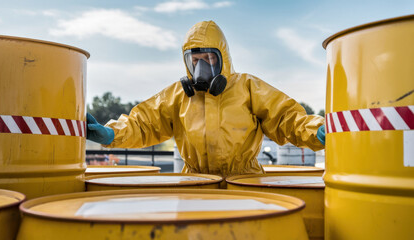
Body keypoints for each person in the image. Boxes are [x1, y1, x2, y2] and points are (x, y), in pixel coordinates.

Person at [87, 20, 326, 178]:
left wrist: (315, 131)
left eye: (209, 59)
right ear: (187, 61)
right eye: (195, 60)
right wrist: (112, 133)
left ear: (223, 58)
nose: (201, 67)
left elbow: (286, 118)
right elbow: (143, 123)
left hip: (244, 184)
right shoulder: (178, 96)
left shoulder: (248, 87)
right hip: (196, 185)